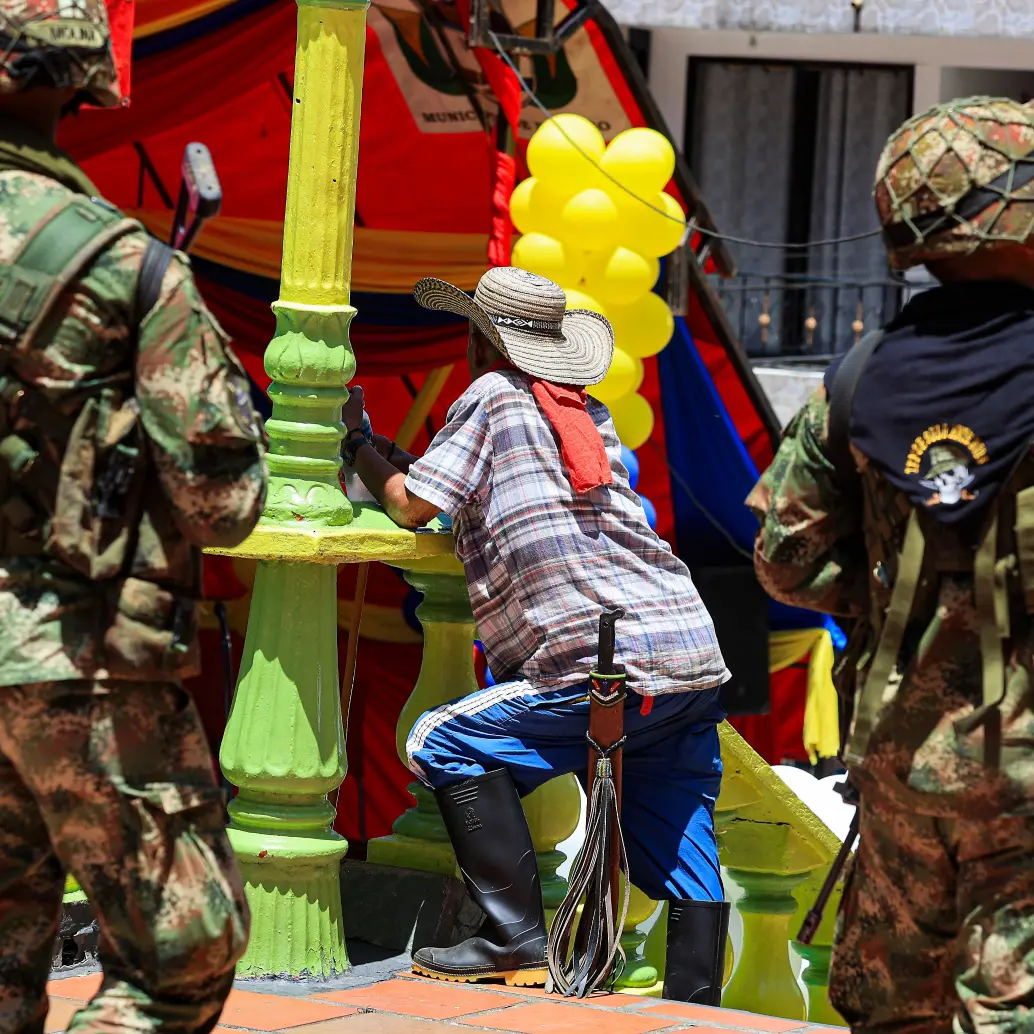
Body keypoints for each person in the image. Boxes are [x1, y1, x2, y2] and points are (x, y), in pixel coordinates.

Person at [342, 265, 730, 1000]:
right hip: (688, 653)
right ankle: (698, 1002)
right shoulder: (585, 411)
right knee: (680, 832)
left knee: (440, 740)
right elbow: (488, 487)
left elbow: (413, 506)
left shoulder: (490, 395)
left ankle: (513, 938)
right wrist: (390, 455)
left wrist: (357, 441)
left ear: (480, 343)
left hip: (601, 663)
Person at [0, 1, 267, 1030]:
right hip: (78, 666)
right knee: (175, 960)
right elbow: (222, 501)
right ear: (78, 87)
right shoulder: (128, 267)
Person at [747, 96, 1034, 1033]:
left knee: (895, 1012)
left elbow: (784, 563)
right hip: (1024, 772)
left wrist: (891, 598)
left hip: (901, 758)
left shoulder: (860, 374)